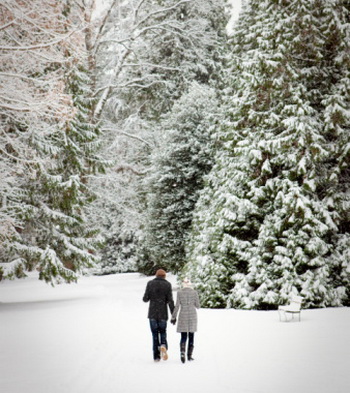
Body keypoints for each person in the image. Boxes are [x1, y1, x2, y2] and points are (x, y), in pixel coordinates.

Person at [143, 269, 175, 362]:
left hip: (152, 313)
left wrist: (150, 295)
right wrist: (173, 315)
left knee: (154, 334)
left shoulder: (150, 283)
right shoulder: (167, 285)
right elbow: (170, 301)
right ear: (164, 276)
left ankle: (156, 357)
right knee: (163, 331)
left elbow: (145, 299)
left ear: (156, 275)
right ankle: (163, 345)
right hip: (163, 313)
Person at [171, 278, 200, 363]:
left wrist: (173, 317)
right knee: (191, 335)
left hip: (183, 315)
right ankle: (189, 356)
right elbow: (198, 306)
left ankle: (182, 351)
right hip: (192, 315)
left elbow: (177, 306)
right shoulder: (194, 292)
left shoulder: (179, 292)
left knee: (183, 336)